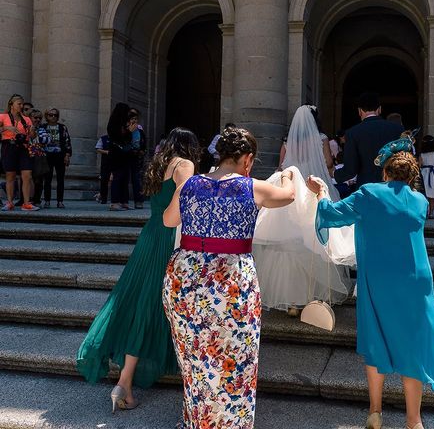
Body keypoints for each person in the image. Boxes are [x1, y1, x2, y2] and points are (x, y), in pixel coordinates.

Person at [308, 141, 434, 429]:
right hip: (415, 281)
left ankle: (375, 412)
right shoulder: (420, 202)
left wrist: (321, 192)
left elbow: (332, 214)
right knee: (413, 344)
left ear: (386, 173)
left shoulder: (369, 193)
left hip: (378, 278)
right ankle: (414, 421)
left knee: (376, 339)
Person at [162, 127, 295, 429]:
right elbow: (289, 196)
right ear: (247, 159)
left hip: (187, 277)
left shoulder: (191, 184)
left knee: (195, 358)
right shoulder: (253, 187)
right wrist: (287, 174)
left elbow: (168, 220)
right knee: (235, 358)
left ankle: (199, 422)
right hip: (230, 282)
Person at [76, 127, 200, 412]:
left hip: (149, 236)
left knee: (140, 302)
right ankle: (126, 381)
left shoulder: (160, 164)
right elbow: (185, 194)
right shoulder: (185, 164)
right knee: (150, 305)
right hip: (168, 236)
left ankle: (125, 383)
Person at [253, 105, 353, 314]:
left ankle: (290, 300)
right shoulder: (321, 138)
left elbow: (282, 165)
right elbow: (327, 162)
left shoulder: (289, 141)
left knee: (288, 241)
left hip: (290, 187)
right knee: (313, 238)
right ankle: (312, 296)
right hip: (312, 186)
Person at [334, 93, 403, 188]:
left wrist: (334, 174)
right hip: (393, 186)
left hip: (367, 187)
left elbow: (350, 170)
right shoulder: (397, 129)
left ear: (359, 111)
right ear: (379, 109)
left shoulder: (353, 133)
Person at [0, 94, 40, 211]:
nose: (21, 106)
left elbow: (32, 136)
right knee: (10, 175)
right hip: (9, 146)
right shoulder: (3, 116)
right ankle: (10, 202)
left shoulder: (26, 119)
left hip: (24, 147)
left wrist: (32, 130)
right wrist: (7, 128)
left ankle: (26, 203)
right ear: (11, 104)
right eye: (19, 104)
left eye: (22, 104)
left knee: (27, 175)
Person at [40, 107, 72, 208]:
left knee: (60, 179)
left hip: (60, 155)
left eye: (55, 115)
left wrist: (67, 155)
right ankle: (47, 201)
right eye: (51, 115)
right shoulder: (43, 127)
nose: (53, 117)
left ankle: (60, 201)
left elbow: (67, 141)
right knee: (47, 179)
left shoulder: (62, 127)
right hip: (47, 156)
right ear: (46, 116)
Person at [107, 102, 136, 211]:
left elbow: (128, 140)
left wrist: (129, 130)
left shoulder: (124, 123)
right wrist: (129, 131)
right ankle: (115, 202)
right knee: (117, 177)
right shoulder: (113, 124)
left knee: (125, 178)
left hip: (125, 154)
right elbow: (117, 137)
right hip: (116, 154)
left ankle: (124, 202)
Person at [127, 108, 146, 209]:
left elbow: (143, 141)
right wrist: (129, 131)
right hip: (126, 156)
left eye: (136, 118)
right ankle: (123, 201)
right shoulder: (125, 129)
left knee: (137, 180)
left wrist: (143, 150)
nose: (134, 121)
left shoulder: (139, 130)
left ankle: (138, 201)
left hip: (136, 156)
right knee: (124, 178)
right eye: (132, 118)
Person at [96, 134, 111, 204]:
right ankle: (103, 198)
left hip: (116, 162)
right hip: (105, 162)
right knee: (104, 180)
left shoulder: (118, 138)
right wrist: (106, 152)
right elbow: (97, 148)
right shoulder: (103, 138)